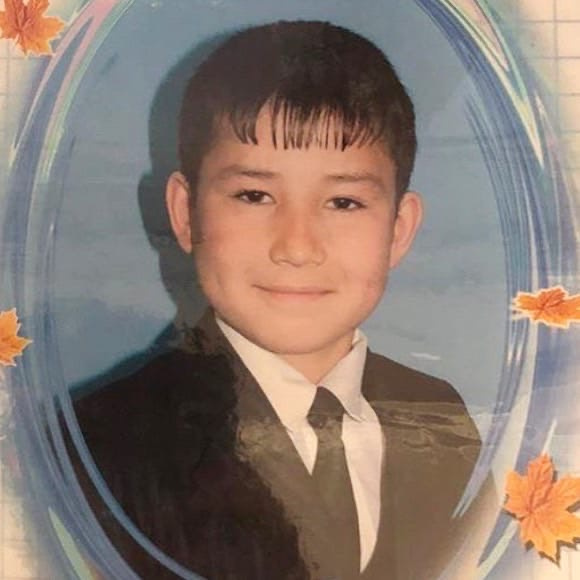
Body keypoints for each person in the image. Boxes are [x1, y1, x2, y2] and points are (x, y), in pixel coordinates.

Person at [68, 20, 495, 580]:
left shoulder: (443, 420)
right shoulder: (97, 448)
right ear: (186, 214)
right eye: (254, 195)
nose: (296, 247)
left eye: (343, 202)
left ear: (399, 229)